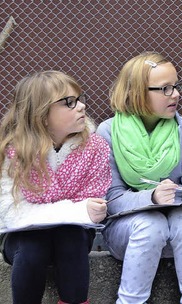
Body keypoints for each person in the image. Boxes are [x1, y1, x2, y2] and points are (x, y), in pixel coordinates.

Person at [96, 52, 182, 304]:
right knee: (151, 225)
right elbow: (111, 200)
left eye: (177, 86)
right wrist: (151, 197)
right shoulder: (108, 133)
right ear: (138, 92)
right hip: (127, 236)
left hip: (176, 236)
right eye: (165, 89)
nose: (176, 94)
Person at [0, 71, 111, 304]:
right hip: (21, 238)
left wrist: (82, 212)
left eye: (79, 98)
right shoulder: (14, 151)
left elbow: (92, 205)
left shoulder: (95, 147)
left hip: (74, 235)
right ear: (42, 114)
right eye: (69, 103)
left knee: (70, 236)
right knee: (33, 245)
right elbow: (10, 213)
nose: (81, 106)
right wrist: (77, 210)